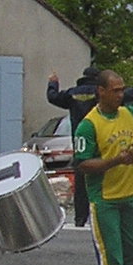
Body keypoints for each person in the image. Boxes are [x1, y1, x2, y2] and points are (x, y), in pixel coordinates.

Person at [71, 70, 133, 265]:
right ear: (100, 91)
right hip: (104, 198)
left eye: (122, 89)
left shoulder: (129, 113)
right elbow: (82, 164)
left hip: (131, 193)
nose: (120, 95)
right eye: (115, 90)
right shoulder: (88, 125)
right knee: (112, 255)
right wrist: (115, 161)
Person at [45, 67, 101, 226]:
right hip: (100, 142)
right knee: (101, 181)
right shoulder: (101, 92)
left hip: (80, 143)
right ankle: (99, 216)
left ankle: (80, 218)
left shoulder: (72, 93)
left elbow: (53, 97)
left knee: (81, 183)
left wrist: (53, 83)